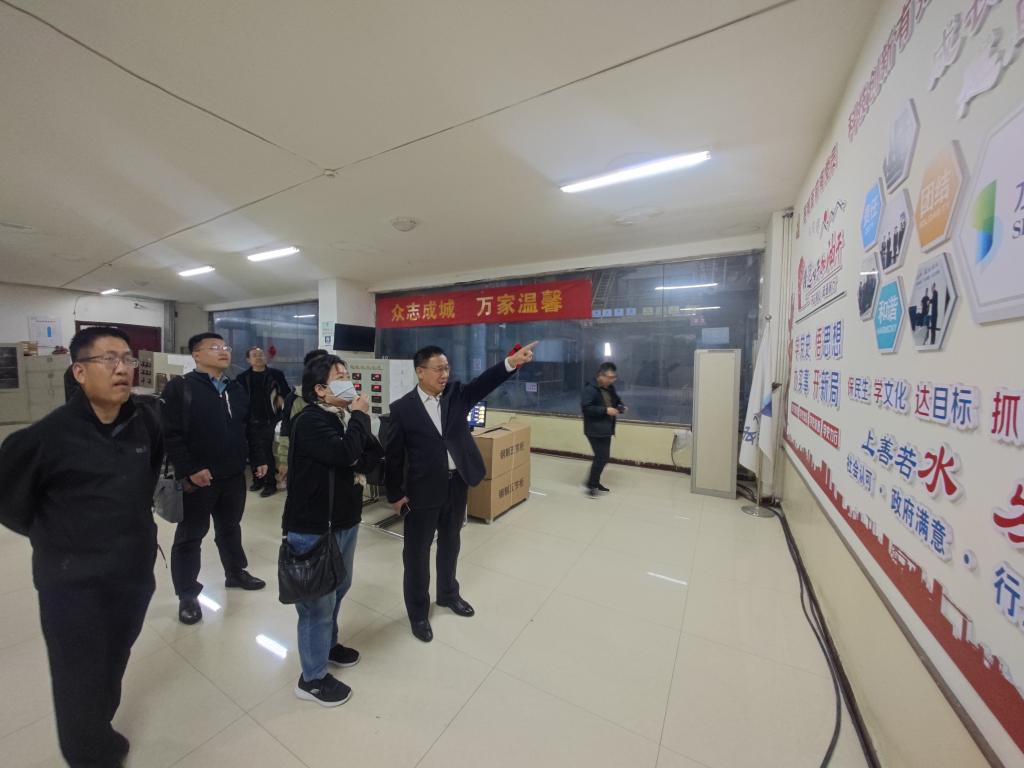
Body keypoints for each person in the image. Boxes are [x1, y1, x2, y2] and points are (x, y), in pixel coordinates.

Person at [0, 327, 161, 768]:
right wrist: (62, 538)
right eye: (108, 359)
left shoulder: (144, 422)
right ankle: (88, 755)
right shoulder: (43, 438)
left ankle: (98, 730)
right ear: (79, 371)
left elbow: (147, 479)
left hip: (132, 572)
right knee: (77, 674)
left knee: (113, 657)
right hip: (73, 583)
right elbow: (10, 505)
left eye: (127, 359)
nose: (122, 368)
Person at [385, 342, 537, 642]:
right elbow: (394, 456)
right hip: (421, 491)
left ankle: (447, 594)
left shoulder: (457, 395)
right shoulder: (402, 409)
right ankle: (418, 612)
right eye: (438, 369)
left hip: (456, 485)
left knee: (451, 542)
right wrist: (395, 495)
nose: (445, 374)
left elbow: (485, 382)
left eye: (447, 368)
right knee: (416, 554)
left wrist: (511, 362)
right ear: (420, 372)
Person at [283, 354, 374, 706]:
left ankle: (328, 645)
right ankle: (312, 679)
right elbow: (345, 454)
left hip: (344, 521)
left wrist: (358, 424)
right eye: (340, 377)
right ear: (320, 390)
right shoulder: (310, 420)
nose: (349, 382)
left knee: (339, 587)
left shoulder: (340, 417)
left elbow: (366, 456)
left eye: (348, 375)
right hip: (314, 527)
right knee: (316, 604)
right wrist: (361, 417)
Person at [161, 332, 268, 625]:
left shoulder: (235, 388)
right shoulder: (181, 387)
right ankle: (187, 594)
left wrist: (259, 458)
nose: (223, 351)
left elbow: (249, 427)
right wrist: (190, 469)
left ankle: (235, 572)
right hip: (199, 479)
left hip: (233, 475)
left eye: (225, 347)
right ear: (196, 354)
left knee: (230, 528)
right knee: (190, 536)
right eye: (214, 347)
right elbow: (170, 434)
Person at [237, 346, 290, 497]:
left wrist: (281, 398)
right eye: (255, 355)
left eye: (261, 355)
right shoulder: (242, 377)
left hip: (270, 418)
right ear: (248, 360)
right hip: (250, 419)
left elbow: (286, 391)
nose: (259, 357)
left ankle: (270, 483)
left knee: (266, 451)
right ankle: (258, 480)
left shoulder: (275, 374)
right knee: (253, 451)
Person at [275, 348, 329, 488]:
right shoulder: (294, 398)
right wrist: (284, 460)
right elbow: (286, 430)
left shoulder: (338, 395)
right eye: (318, 365)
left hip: (333, 459)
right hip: (305, 462)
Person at [581, 362, 625, 498]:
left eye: (614, 377)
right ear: (600, 375)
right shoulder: (590, 389)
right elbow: (586, 408)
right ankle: (592, 485)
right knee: (602, 457)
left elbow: (616, 401)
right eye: (610, 377)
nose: (612, 380)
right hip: (594, 429)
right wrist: (605, 410)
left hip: (606, 428)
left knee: (602, 458)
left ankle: (593, 482)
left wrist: (620, 407)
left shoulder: (610, 388)